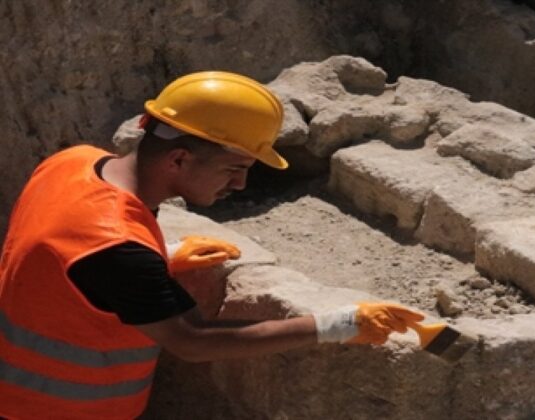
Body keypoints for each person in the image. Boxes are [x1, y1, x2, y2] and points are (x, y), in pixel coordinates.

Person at [0, 71, 424, 419]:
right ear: (179, 159)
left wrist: (162, 255)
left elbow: (60, 252)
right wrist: (340, 324)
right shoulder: (117, 249)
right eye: (234, 168)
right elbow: (192, 339)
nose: (239, 184)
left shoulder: (71, 162)